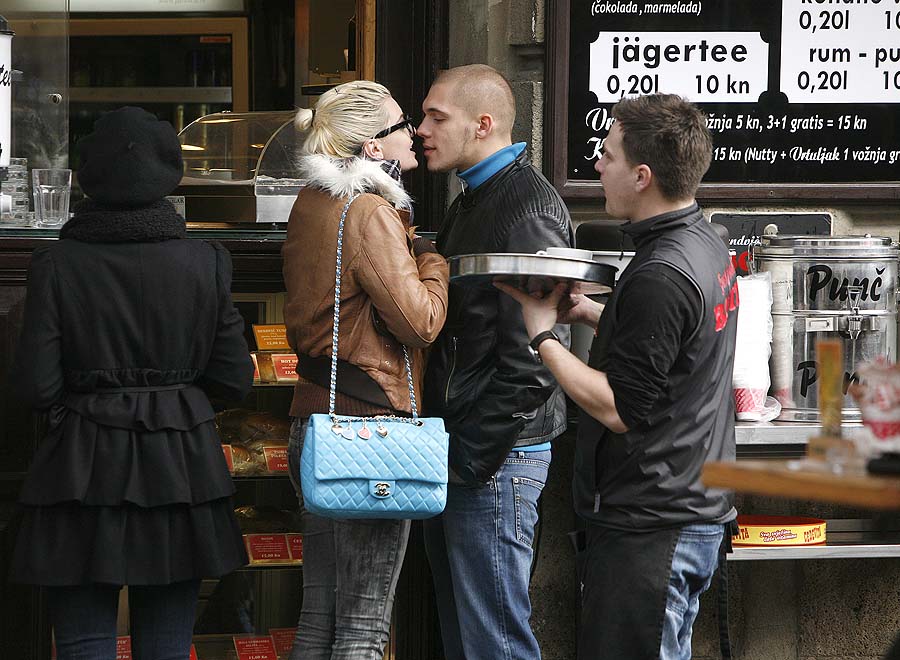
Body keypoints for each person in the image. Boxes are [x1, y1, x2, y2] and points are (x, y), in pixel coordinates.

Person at [496, 93, 739, 660]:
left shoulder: (662, 272)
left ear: (643, 175)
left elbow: (618, 407)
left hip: (654, 523)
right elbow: (674, 348)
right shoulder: (703, 241)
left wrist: (541, 337)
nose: (597, 165)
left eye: (607, 155)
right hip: (684, 509)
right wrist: (586, 313)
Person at [9, 106, 254, 659]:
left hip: (80, 466)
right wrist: (177, 400)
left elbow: (35, 386)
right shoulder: (205, 261)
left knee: (83, 643)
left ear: (89, 177)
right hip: (182, 468)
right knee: (166, 646)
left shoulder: (58, 263)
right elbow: (235, 378)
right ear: (170, 176)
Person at [282, 80, 449, 660]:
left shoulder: (311, 201)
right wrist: (431, 261)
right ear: (373, 148)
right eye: (401, 125)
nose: (414, 134)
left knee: (318, 618)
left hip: (316, 423)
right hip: (369, 430)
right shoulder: (371, 210)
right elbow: (420, 322)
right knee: (364, 627)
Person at [417, 64, 574, 660]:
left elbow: (533, 361)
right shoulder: (477, 198)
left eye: (437, 116)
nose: (423, 128)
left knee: (495, 642)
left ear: (483, 125)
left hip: (495, 458)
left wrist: (469, 462)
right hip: (471, 451)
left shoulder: (521, 209)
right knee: (471, 637)